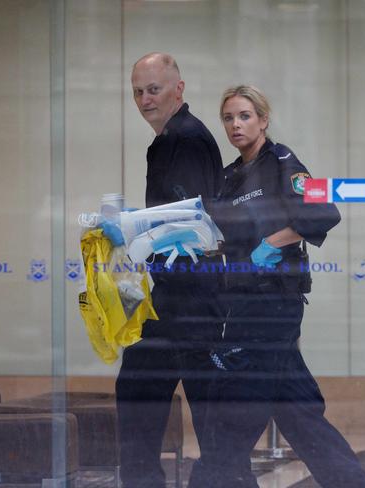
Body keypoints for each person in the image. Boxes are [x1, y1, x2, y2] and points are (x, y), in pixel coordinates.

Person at [188, 85, 365, 488]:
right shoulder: (230, 176)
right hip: (241, 300)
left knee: (233, 414)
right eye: (228, 118)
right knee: (299, 412)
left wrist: (272, 244)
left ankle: (215, 479)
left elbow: (323, 212)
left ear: (263, 120)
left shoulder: (282, 163)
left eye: (244, 116)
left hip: (272, 302)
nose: (235, 125)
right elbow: (219, 232)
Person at [114, 52, 224, 488]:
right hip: (176, 294)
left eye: (153, 89)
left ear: (179, 89)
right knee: (141, 387)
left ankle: (218, 477)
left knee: (195, 401)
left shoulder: (187, 139)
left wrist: (133, 232)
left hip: (193, 296)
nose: (144, 99)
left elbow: (190, 224)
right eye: (137, 91)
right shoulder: (169, 140)